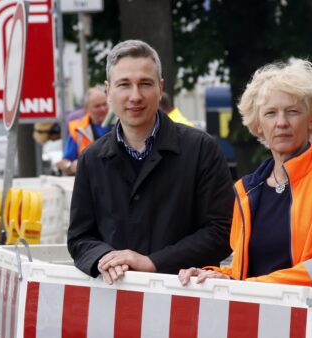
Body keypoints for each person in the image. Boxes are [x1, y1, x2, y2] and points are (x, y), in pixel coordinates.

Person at [179, 59, 312, 291]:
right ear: (258, 125)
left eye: (293, 112)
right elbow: (244, 269)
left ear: (311, 120)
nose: (281, 123)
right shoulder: (245, 190)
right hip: (262, 320)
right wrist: (215, 275)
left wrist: (250, 287)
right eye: (270, 113)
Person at [67, 40, 234, 284]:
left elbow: (223, 232)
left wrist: (152, 263)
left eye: (145, 84)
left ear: (160, 88)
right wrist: (105, 258)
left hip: (187, 300)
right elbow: (80, 238)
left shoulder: (201, 149)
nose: (135, 96)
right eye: (124, 85)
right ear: (108, 91)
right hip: (117, 301)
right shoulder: (91, 159)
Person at [56, 87, 111, 175]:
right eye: (97, 106)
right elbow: (64, 162)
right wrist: (71, 166)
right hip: (90, 182)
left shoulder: (121, 123)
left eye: (105, 104)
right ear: (86, 109)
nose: (103, 109)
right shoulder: (78, 130)